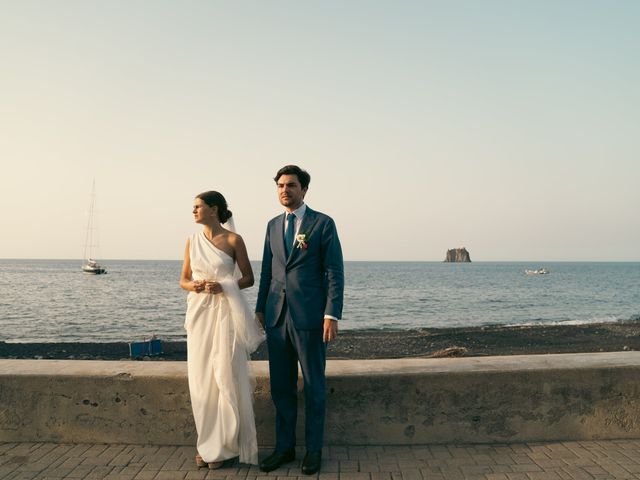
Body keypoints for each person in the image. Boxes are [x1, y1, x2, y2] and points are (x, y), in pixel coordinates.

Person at [256, 165, 344, 475]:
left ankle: (314, 451)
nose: (284, 190)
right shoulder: (271, 226)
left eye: (291, 185)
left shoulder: (322, 223)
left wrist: (331, 313)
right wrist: (259, 310)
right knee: (281, 387)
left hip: (310, 319)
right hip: (277, 319)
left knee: (314, 387)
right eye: (280, 185)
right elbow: (268, 271)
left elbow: (334, 271)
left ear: (303, 190)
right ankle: (284, 449)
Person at [180, 191, 265, 469]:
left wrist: (224, 286)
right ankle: (206, 444)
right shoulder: (191, 241)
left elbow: (249, 278)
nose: (193, 211)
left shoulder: (233, 240)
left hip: (225, 315)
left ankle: (224, 448)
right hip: (200, 314)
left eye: (198, 207)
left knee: (224, 375)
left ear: (213, 209)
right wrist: (196, 286)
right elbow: (184, 280)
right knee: (201, 378)